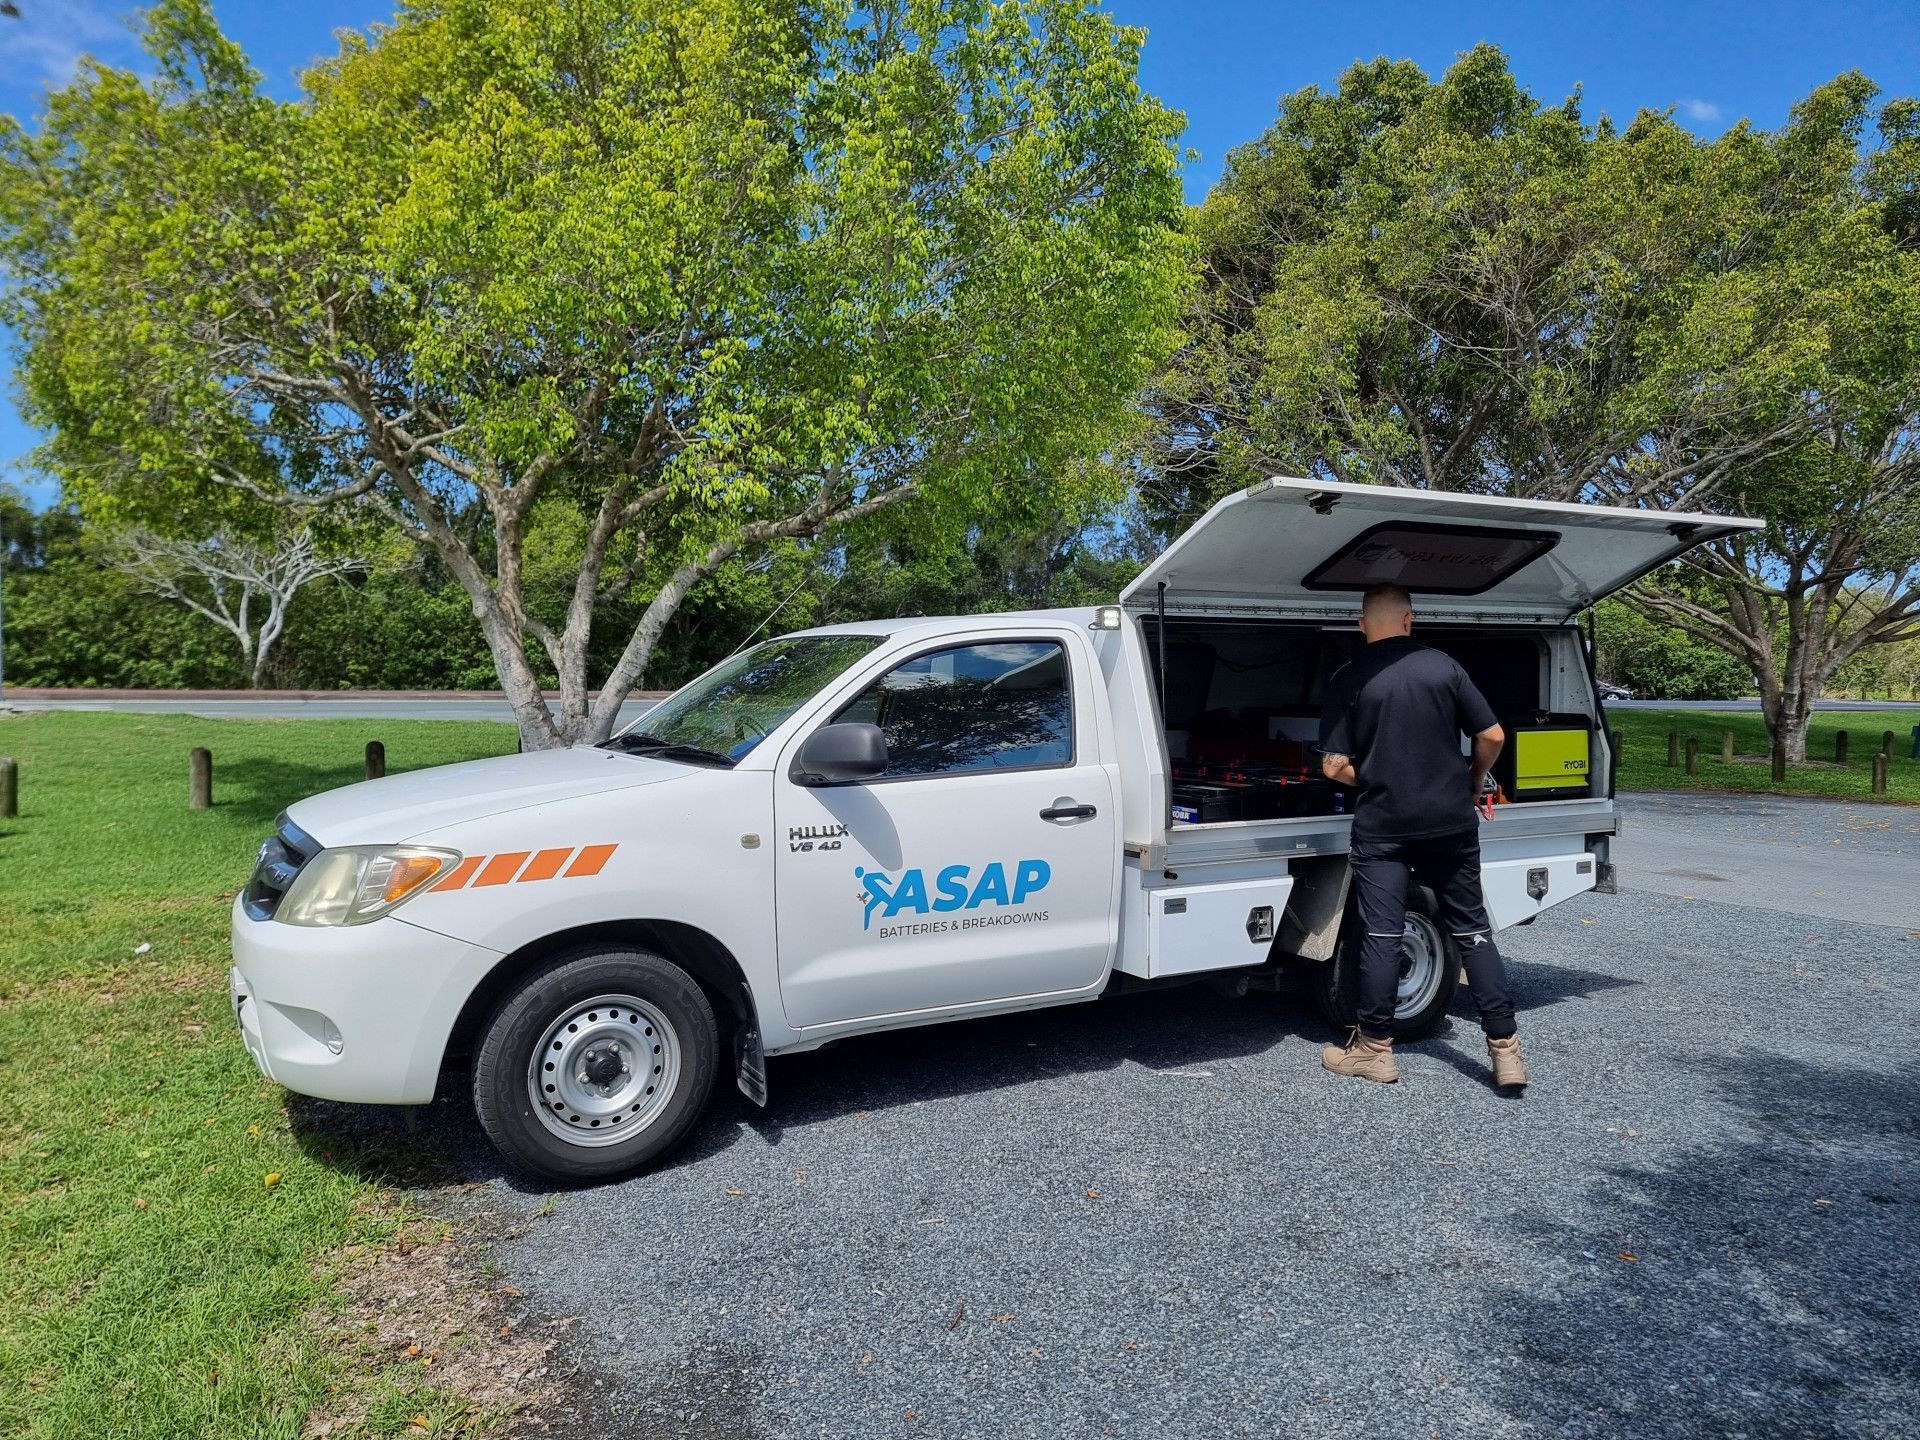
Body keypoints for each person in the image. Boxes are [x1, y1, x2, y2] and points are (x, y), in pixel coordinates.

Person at [1315, 582, 1528, 1089]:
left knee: (1384, 936)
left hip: (1384, 827)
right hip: (1450, 822)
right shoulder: (1444, 665)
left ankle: (1376, 1052)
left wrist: (1383, 779)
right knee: (1473, 932)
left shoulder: (1349, 677)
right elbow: (1492, 735)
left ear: (1362, 624)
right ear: (1410, 619)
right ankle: (1506, 1053)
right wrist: (1473, 780)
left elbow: (1332, 766)